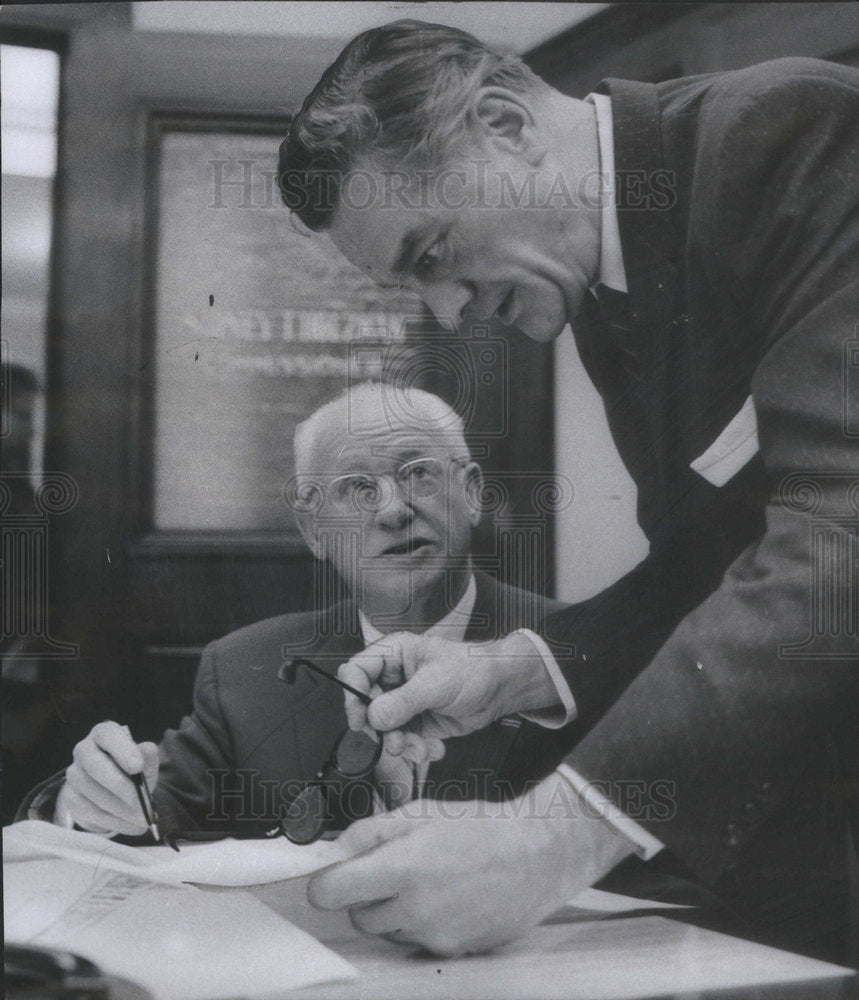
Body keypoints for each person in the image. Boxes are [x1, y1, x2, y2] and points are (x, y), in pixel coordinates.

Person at [277, 21, 859, 961]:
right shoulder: (599, 274)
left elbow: (839, 536)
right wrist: (517, 666)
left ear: (503, 124)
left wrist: (552, 836)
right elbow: (713, 564)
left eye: (430, 254)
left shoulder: (783, 130)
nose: (448, 312)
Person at [20, 382, 570, 836]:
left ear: (472, 493)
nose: (394, 510)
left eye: (418, 473)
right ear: (314, 530)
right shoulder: (246, 668)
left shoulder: (569, 648)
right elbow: (149, 812)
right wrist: (87, 799)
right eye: (357, 487)